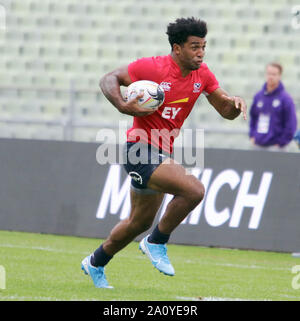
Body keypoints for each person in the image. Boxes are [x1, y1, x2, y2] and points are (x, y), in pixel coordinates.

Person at [81, 17, 247, 288]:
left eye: (204, 46)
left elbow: (225, 109)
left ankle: (95, 262)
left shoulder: (202, 74)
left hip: (161, 152)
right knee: (194, 190)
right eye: (195, 47)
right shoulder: (152, 67)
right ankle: (157, 241)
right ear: (177, 48)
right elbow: (108, 78)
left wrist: (235, 106)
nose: (201, 53)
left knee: (137, 222)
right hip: (138, 149)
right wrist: (124, 106)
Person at [249, 62, 297, 151]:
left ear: (280, 76)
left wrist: (281, 143)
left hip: (276, 147)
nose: (271, 77)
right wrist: (252, 136)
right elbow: (253, 118)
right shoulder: (258, 96)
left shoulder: (286, 99)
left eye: (274, 74)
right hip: (258, 145)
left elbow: (291, 124)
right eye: (269, 74)